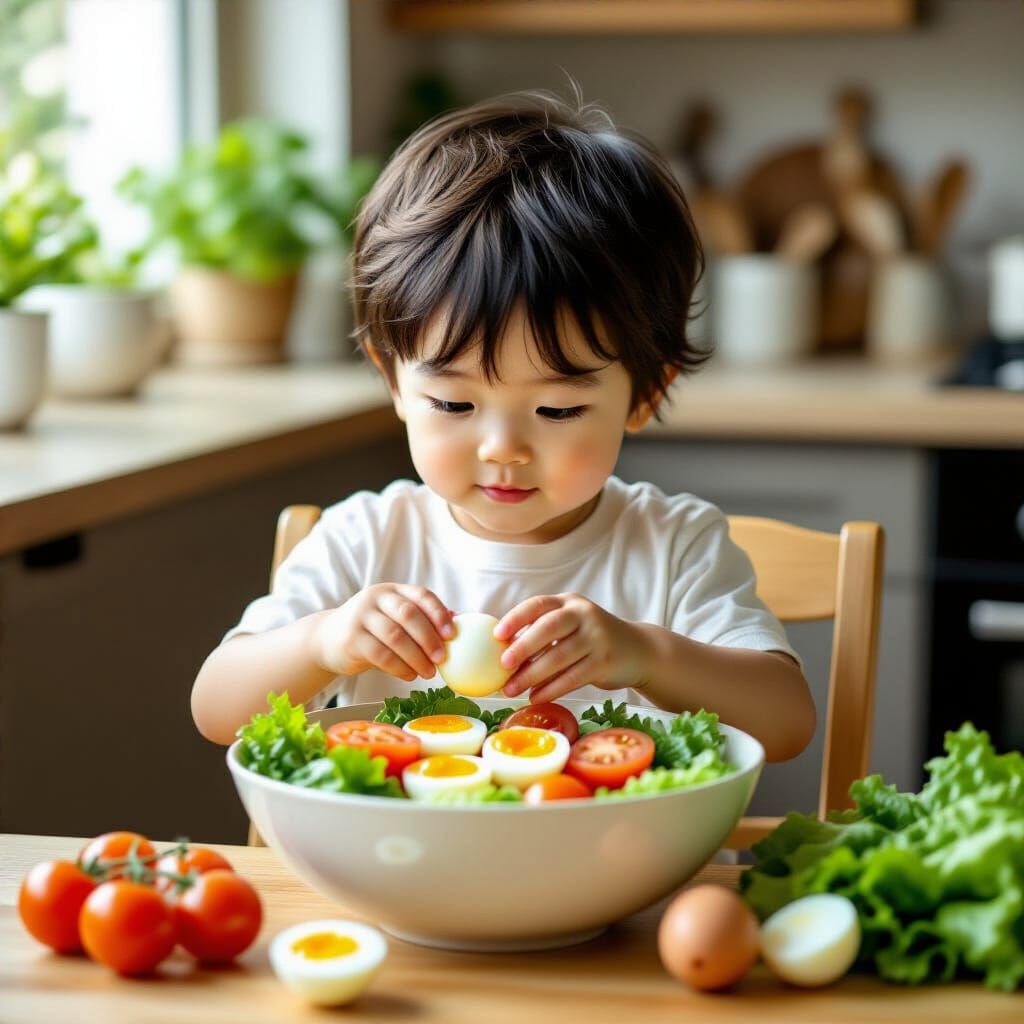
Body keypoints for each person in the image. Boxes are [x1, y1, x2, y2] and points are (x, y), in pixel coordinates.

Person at [191, 91, 816, 762]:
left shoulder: (674, 548)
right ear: (393, 379)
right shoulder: (363, 541)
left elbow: (785, 724)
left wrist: (645, 654)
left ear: (644, 395)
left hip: (628, 866)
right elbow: (217, 710)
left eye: (557, 410)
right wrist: (322, 642)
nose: (503, 450)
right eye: (455, 406)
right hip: (405, 866)